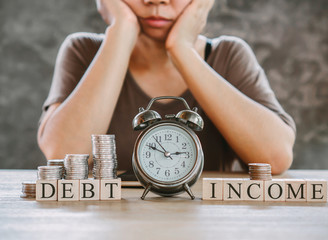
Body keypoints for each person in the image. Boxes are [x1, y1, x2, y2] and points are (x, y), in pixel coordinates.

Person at [37, 0, 296, 174]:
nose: (157, 0)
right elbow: (62, 155)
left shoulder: (228, 54)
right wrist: (121, 29)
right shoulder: (83, 50)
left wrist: (181, 49)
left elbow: (275, 158)